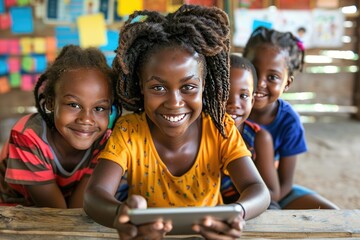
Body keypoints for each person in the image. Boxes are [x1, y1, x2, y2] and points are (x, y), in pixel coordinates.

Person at [84, 4, 270, 240]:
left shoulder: (219, 128)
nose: (174, 102)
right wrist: (123, 215)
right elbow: (94, 195)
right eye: (158, 87)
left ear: (204, 85)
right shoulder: (129, 131)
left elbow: (258, 190)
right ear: (141, 86)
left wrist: (236, 213)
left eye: (188, 87)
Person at [0, 45, 118, 208]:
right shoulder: (28, 137)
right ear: (50, 102)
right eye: (73, 105)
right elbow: (56, 211)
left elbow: (79, 209)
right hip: (14, 214)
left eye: (99, 108)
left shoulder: (105, 143)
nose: (86, 119)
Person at [243, 26, 339, 209]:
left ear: (286, 83)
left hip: (273, 191)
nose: (260, 83)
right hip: (227, 189)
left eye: (272, 77)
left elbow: (285, 185)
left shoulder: (289, 121)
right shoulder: (230, 109)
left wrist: (262, 202)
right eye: (254, 71)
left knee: (333, 214)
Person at [221, 54, 281, 209]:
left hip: (246, 208)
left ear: (252, 101)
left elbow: (273, 192)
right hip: (208, 208)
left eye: (243, 95)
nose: (234, 104)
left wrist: (241, 206)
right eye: (225, 93)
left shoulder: (259, 138)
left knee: (272, 208)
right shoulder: (200, 135)